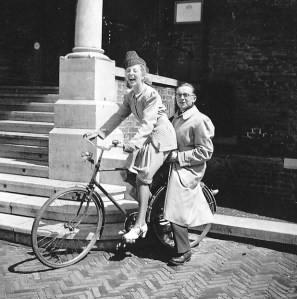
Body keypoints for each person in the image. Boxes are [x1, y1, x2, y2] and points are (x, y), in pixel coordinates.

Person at [85, 51, 177, 243]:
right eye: (128, 71)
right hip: (147, 137)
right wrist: (100, 132)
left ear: (143, 74)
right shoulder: (130, 96)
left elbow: (149, 123)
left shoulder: (151, 95)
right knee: (128, 174)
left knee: (143, 177)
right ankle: (153, 208)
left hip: (161, 137)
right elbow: (119, 115)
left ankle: (140, 224)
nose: (130, 74)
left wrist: (133, 144)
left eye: (135, 70)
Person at [164, 83, 215, 266]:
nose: (182, 98)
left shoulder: (199, 120)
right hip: (174, 163)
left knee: (175, 203)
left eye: (186, 95)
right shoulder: (176, 118)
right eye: (179, 95)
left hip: (189, 168)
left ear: (194, 98)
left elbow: (206, 152)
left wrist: (179, 156)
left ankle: (184, 250)